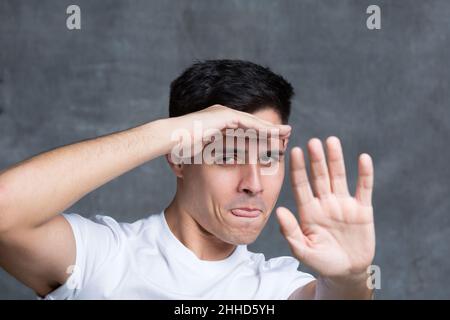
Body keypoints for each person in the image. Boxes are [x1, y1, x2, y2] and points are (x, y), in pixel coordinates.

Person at [0, 60, 375, 299]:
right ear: (179, 159)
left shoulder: (277, 288)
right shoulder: (105, 259)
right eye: (228, 155)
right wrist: (167, 132)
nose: (254, 184)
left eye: (269, 157)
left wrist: (353, 277)